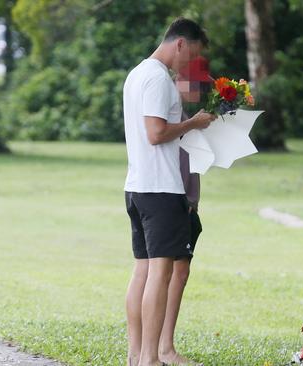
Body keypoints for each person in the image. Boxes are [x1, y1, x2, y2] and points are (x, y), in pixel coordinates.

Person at [122, 17, 216, 366]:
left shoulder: (136, 74)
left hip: (136, 187)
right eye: (190, 54)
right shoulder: (158, 78)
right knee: (159, 276)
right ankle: (150, 359)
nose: (190, 63)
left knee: (142, 273)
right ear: (179, 43)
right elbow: (156, 133)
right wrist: (194, 123)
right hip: (160, 190)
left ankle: (135, 355)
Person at [157, 56, 213, 366]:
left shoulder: (191, 117)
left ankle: (164, 345)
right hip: (173, 201)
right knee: (166, 274)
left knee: (180, 272)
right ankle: (163, 348)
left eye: (200, 84)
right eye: (193, 83)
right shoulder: (175, 118)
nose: (197, 89)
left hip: (188, 204)